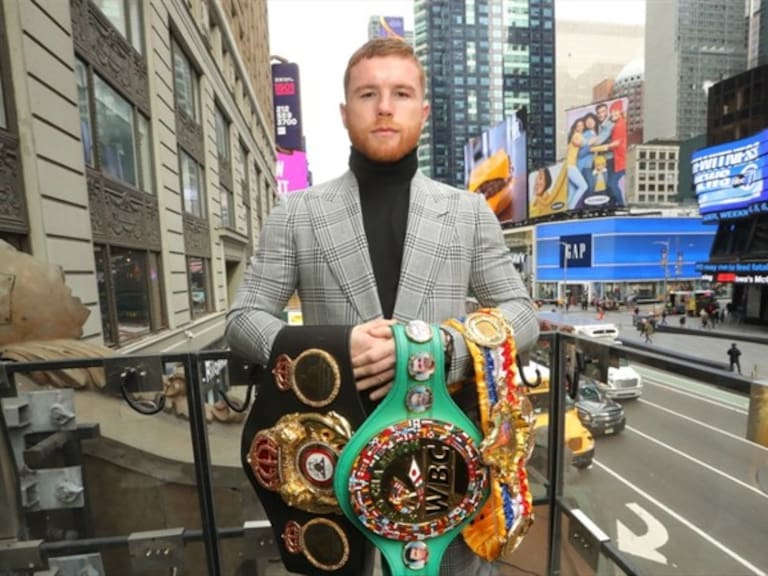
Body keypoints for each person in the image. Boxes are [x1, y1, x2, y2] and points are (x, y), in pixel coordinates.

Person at [226, 38, 539, 576]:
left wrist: (445, 349)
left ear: (424, 110)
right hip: (333, 473)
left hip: (445, 469)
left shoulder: (468, 212)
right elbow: (243, 319)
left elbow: (523, 313)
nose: (385, 106)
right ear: (346, 113)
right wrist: (335, 348)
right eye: (368, 93)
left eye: (401, 92)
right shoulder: (295, 213)